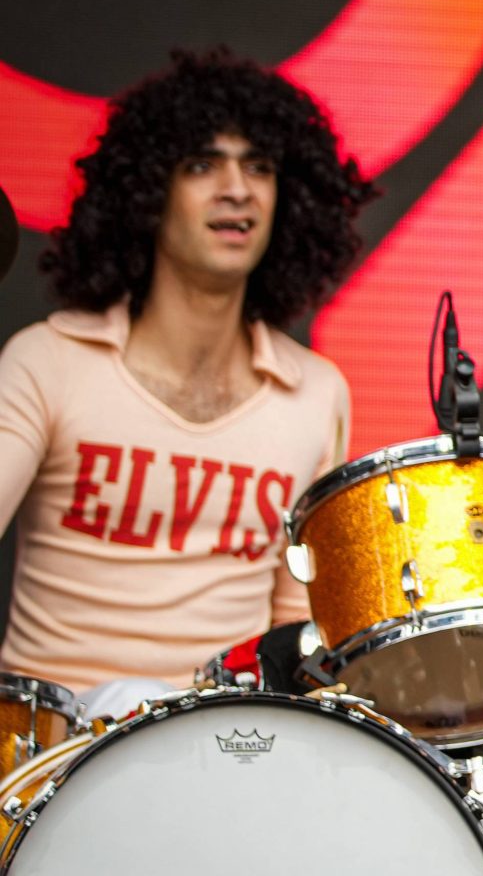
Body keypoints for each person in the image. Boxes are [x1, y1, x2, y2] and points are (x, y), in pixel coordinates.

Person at [0, 50, 371, 710]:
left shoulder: (317, 393)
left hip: (224, 749)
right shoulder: (47, 362)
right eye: (202, 164)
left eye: (259, 166)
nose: (238, 188)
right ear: (146, 192)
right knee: (126, 698)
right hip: (51, 755)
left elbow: (295, 633)